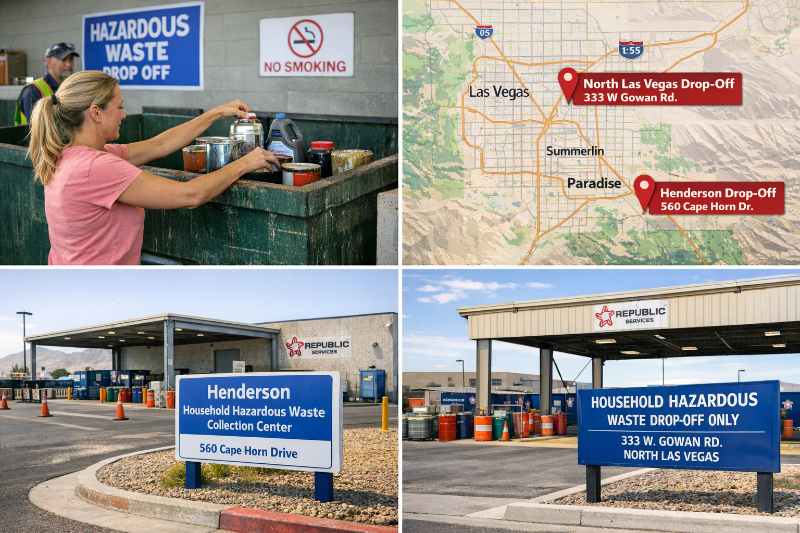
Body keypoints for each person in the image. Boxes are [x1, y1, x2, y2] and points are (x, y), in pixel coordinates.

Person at [27, 70, 279, 265]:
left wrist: (215, 113)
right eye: (120, 107)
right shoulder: (96, 167)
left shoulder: (75, 156)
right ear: (96, 113)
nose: (124, 115)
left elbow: (160, 144)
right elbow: (190, 195)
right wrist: (246, 163)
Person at [14, 42, 79, 126]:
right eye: (64, 59)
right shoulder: (33, 90)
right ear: (48, 62)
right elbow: (37, 128)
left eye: (71, 59)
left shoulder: (69, 89)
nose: (69, 64)